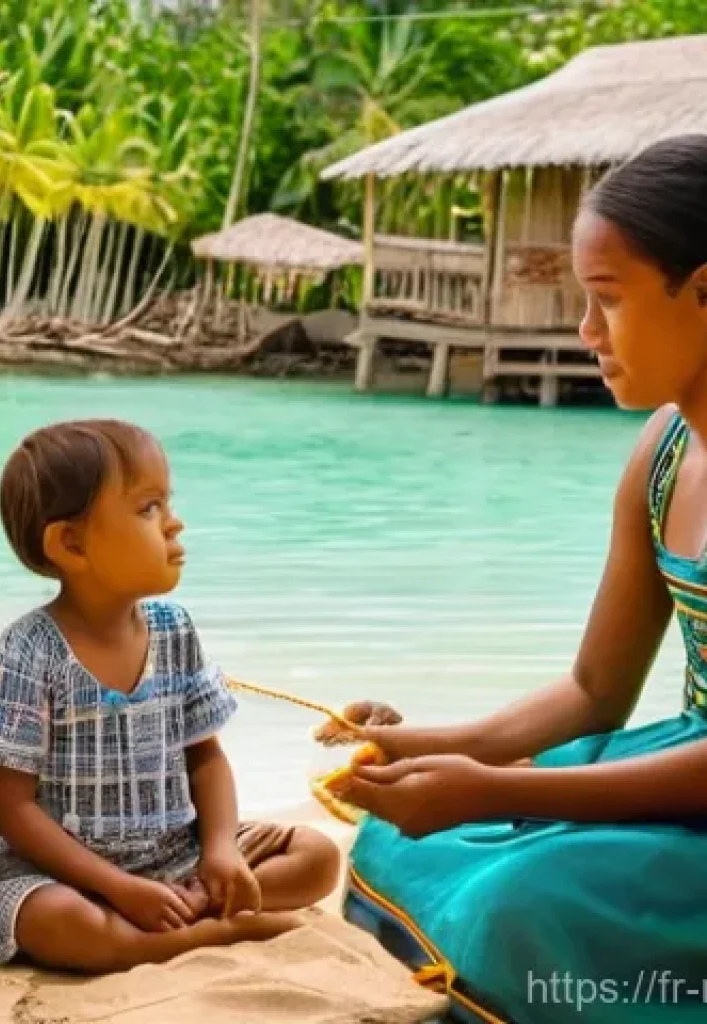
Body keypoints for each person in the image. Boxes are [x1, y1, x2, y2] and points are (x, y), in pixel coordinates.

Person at [316, 135, 707, 1024]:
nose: (585, 332)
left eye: (608, 299)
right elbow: (593, 690)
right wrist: (419, 746)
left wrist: (496, 786)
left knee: (514, 904)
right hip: (674, 768)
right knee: (395, 841)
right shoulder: (663, 453)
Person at [0, 419, 340, 971]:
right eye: (148, 508)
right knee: (63, 923)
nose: (174, 523)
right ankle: (198, 932)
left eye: (167, 504)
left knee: (317, 856)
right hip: (56, 871)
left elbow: (206, 759)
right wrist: (116, 886)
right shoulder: (24, 654)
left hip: (171, 853)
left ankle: (190, 905)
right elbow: (9, 807)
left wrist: (220, 850)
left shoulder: (173, 630)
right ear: (71, 543)